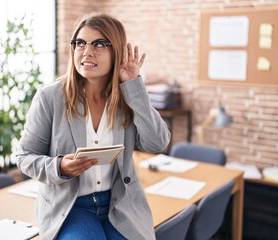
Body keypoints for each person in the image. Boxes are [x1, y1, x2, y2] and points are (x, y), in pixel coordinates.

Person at [16, 12, 170, 240]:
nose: (87, 51)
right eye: (80, 43)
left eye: (99, 44)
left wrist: (134, 86)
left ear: (116, 50)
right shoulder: (50, 98)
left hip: (120, 203)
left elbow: (157, 142)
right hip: (71, 207)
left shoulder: (128, 96)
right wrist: (60, 167)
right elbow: (25, 157)